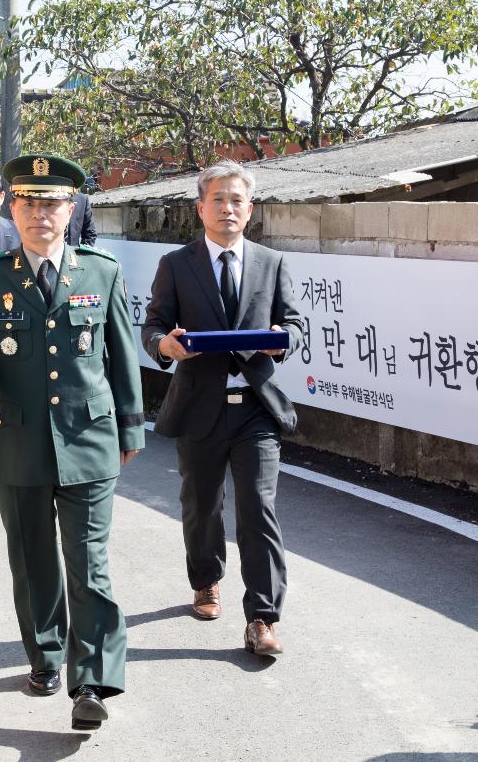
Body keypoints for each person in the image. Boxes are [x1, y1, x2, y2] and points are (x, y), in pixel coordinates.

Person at [0, 153, 144, 731]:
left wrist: (131, 426)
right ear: (12, 208)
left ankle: (93, 683)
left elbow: (121, 354)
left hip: (89, 438)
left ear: (72, 209)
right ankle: (46, 655)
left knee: (90, 563)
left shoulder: (101, 272)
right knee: (33, 560)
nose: (41, 215)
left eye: (53, 203)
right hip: (17, 442)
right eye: (29, 203)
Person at [140, 159, 305, 657]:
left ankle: (262, 617)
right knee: (201, 506)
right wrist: (164, 346)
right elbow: (153, 326)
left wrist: (283, 340)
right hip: (199, 406)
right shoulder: (176, 264)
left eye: (237, 200)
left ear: (249, 210)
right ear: (200, 208)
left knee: (259, 509)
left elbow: (295, 324)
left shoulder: (272, 263)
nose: (228, 208)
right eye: (219, 200)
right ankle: (206, 580)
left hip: (255, 407)